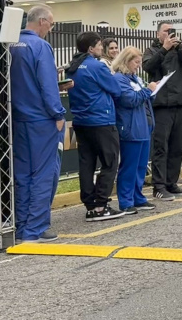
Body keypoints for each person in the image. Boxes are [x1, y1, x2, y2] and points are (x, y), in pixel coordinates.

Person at [9, 6, 67, 242]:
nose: (50, 29)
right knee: (43, 174)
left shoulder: (11, 45)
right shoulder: (40, 46)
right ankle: (35, 228)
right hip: (41, 120)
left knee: (22, 175)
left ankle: (21, 227)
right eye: (51, 25)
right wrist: (58, 114)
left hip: (18, 117)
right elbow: (47, 85)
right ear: (42, 21)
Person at [65, 31, 125, 221]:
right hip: (101, 120)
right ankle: (101, 205)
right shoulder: (97, 66)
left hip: (81, 120)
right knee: (110, 162)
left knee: (87, 164)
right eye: (99, 45)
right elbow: (116, 89)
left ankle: (90, 205)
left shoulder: (72, 67)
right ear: (91, 48)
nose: (101, 48)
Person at [143, 22, 182, 201]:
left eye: (171, 31)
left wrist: (179, 48)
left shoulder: (179, 50)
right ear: (158, 34)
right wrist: (164, 49)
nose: (169, 34)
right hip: (162, 105)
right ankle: (159, 186)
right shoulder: (151, 50)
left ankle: (171, 183)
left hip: (180, 103)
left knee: (176, 147)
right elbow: (148, 67)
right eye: (166, 31)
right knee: (161, 147)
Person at [112, 47, 159, 214]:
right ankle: (126, 201)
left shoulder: (134, 78)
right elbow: (129, 100)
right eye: (136, 62)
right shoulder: (119, 79)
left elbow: (143, 98)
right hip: (131, 127)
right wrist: (148, 90)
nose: (138, 65)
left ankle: (138, 197)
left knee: (140, 166)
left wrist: (152, 91)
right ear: (126, 61)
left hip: (143, 126)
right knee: (129, 166)